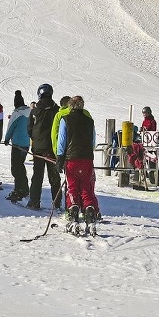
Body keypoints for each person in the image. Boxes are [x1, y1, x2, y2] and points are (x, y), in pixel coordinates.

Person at [56, 96, 100, 233]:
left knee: (72, 188)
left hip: (71, 159)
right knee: (86, 188)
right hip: (87, 159)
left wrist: (59, 158)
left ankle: (73, 214)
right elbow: (93, 142)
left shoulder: (65, 120)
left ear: (70, 106)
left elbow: (62, 141)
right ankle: (90, 213)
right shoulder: (89, 121)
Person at [26, 83, 61, 210]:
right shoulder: (56, 109)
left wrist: (35, 139)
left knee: (37, 175)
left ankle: (34, 201)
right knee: (54, 176)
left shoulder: (34, 110)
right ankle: (57, 203)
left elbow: (29, 129)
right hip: (52, 149)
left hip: (38, 149)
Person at [4, 90, 31, 201]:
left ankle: (19, 189)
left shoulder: (16, 113)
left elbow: (10, 127)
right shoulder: (30, 112)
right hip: (26, 144)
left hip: (17, 144)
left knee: (15, 168)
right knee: (20, 165)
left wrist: (6, 139)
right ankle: (24, 188)